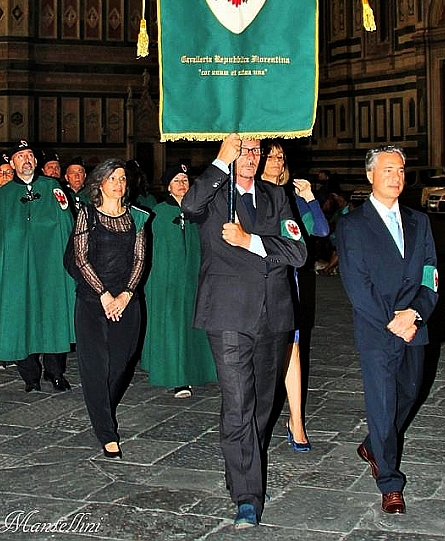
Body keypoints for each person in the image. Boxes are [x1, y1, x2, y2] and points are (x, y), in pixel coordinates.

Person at [181, 134, 307, 529]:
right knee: (238, 403)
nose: (251, 157)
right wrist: (221, 160)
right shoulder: (215, 195)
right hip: (228, 315)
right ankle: (247, 496)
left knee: (264, 404)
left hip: (274, 316)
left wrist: (250, 241)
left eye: (257, 151)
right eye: (245, 150)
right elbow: (189, 204)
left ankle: (243, 469)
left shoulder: (275, 196)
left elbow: (298, 252)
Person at [336, 145, 439, 515]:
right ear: (370, 176)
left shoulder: (419, 221)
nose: (396, 177)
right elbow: (356, 284)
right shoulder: (352, 225)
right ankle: (390, 482)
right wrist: (391, 321)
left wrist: (416, 313)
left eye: (400, 171)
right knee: (382, 404)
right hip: (377, 329)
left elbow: (430, 272)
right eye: (388, 170)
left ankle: (373, 445)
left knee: (410, 393)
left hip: (415, 325)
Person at [0, 140, 76, 392]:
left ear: (36, 162)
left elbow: (66, 227)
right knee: (20, 318)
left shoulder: (52, 188)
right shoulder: (2, 197)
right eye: (21, 156)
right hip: (16, 272)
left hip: (50, 270)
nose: (26, 159)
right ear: (12, 163)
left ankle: (56, 373)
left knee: (53, 317)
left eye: (30, 155)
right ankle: (30, 376)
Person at [66, 159, 149, 459]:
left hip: (128, 300)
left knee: (121, 362)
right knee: (95, 367)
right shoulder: (87, 215)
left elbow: (140, 260)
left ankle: (101, 407)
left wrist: (126, 294)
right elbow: (81, 257)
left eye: (123, 178)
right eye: (112, 178)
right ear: (99, 183)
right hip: (92, 301)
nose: (118, 183)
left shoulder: (138, 218)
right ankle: (106, 431)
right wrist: (103, 295)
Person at [260, 139, 329, 452]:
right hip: (256, 283)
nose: (276, 162)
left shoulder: (292, 198)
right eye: (270, 156)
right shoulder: (249, 196)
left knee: (294, 350)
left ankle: (296, 420)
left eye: (280, 157)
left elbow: (322, 230)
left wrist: (310, 197)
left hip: (289, 283)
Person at [141, 163, 216, 398]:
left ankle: (200, 370)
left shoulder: (202, 211)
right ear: (168, 186)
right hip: (168, 282)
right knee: (173, 327)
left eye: (185, 180)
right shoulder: (159, 214)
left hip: (196, 280)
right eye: (177, 180)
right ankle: (177, 377)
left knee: (196, 324)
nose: (182, 184)